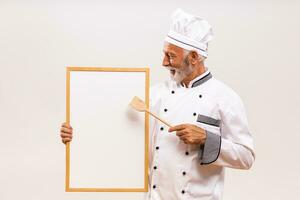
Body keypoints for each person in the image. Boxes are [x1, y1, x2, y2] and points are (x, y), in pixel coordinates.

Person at [60, 9, 255, 200]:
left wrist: (206, 138)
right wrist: (78, 134)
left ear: (194, 58)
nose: (164, 62)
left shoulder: (225, 97)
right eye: (164, 54)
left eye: (171, 56)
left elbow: (246, 157)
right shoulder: (153, 95)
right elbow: (116, 128)